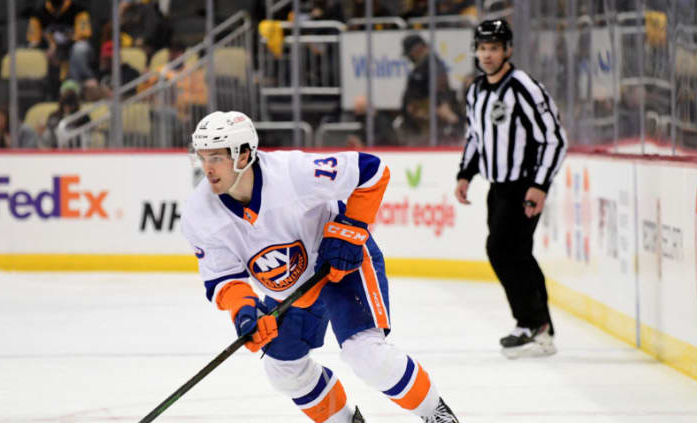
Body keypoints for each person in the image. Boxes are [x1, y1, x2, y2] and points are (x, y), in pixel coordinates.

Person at [181, 110, 460, 423]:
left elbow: (371, 170)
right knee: (283, 370)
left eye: (216, 157)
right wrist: (246, 312)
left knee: (366, 355)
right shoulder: (198, 214)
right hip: (292, 287)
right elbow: (223, 279)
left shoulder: (293, 173)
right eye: (202, 157)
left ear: (244, 154)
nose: (207, 168)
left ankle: (437, 415)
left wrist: (351, 231)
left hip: (340, 267)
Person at [454, 19, 567, 359]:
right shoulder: (476, 90)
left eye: (494, 48)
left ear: (508, 50)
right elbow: (475, 136)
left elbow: (554, 138)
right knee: (516, 253)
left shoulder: (523, 87)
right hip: (497, 187)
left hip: (523, 186)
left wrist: (539, 185)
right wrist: (465, 173)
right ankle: (539, 325)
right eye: (482, 48)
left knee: (502, 250)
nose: (487, 55)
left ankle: (531, 323)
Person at [398, 34, 462, 144]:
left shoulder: (433, 65)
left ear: (417, 49)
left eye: (409, 54)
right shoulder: (423, 66)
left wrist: (441, 106)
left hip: (427, 124)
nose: (409, 58)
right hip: (419, 122)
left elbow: (440, 90)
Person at [26, 0, 95, 94]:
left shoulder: (78, 10)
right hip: (49, 53)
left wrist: (58, 48)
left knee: (80, 48)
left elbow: (82, 36)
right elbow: (33, 42)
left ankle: (80, 84)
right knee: (33, 55)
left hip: (72, 50)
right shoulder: (38, 13)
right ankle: (45, 93)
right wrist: (45, 50)